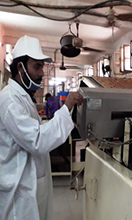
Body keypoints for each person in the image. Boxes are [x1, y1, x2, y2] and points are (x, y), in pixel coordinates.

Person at [0, 35, 83, 220]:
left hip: (30, 184)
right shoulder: (9, 100)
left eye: (42, 67)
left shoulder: (22, 97)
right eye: (37, 66)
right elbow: (37, 140)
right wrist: (66, 107)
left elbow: (31, 133)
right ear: (20, 68)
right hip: (18, 192)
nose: (41, 73)